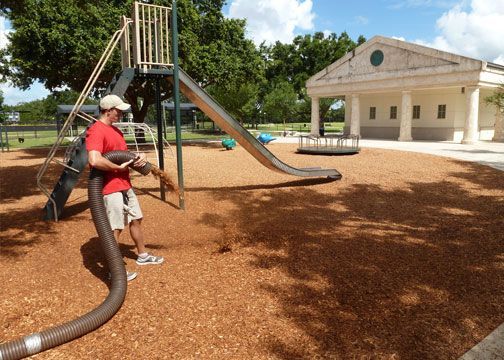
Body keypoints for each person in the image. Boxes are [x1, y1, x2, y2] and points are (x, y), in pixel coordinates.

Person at [86, 94, 164, 281]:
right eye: (118, 110)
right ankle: (115, 271)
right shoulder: (96, 130)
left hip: (124, 183)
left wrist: (138, 158)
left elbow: (121, 155)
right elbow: (95, 160)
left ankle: (143, 256)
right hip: (109, 187)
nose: (121, 113)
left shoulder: (116, 131)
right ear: (108, 110)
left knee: (136, 218)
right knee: (115, 227)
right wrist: (116, 167)